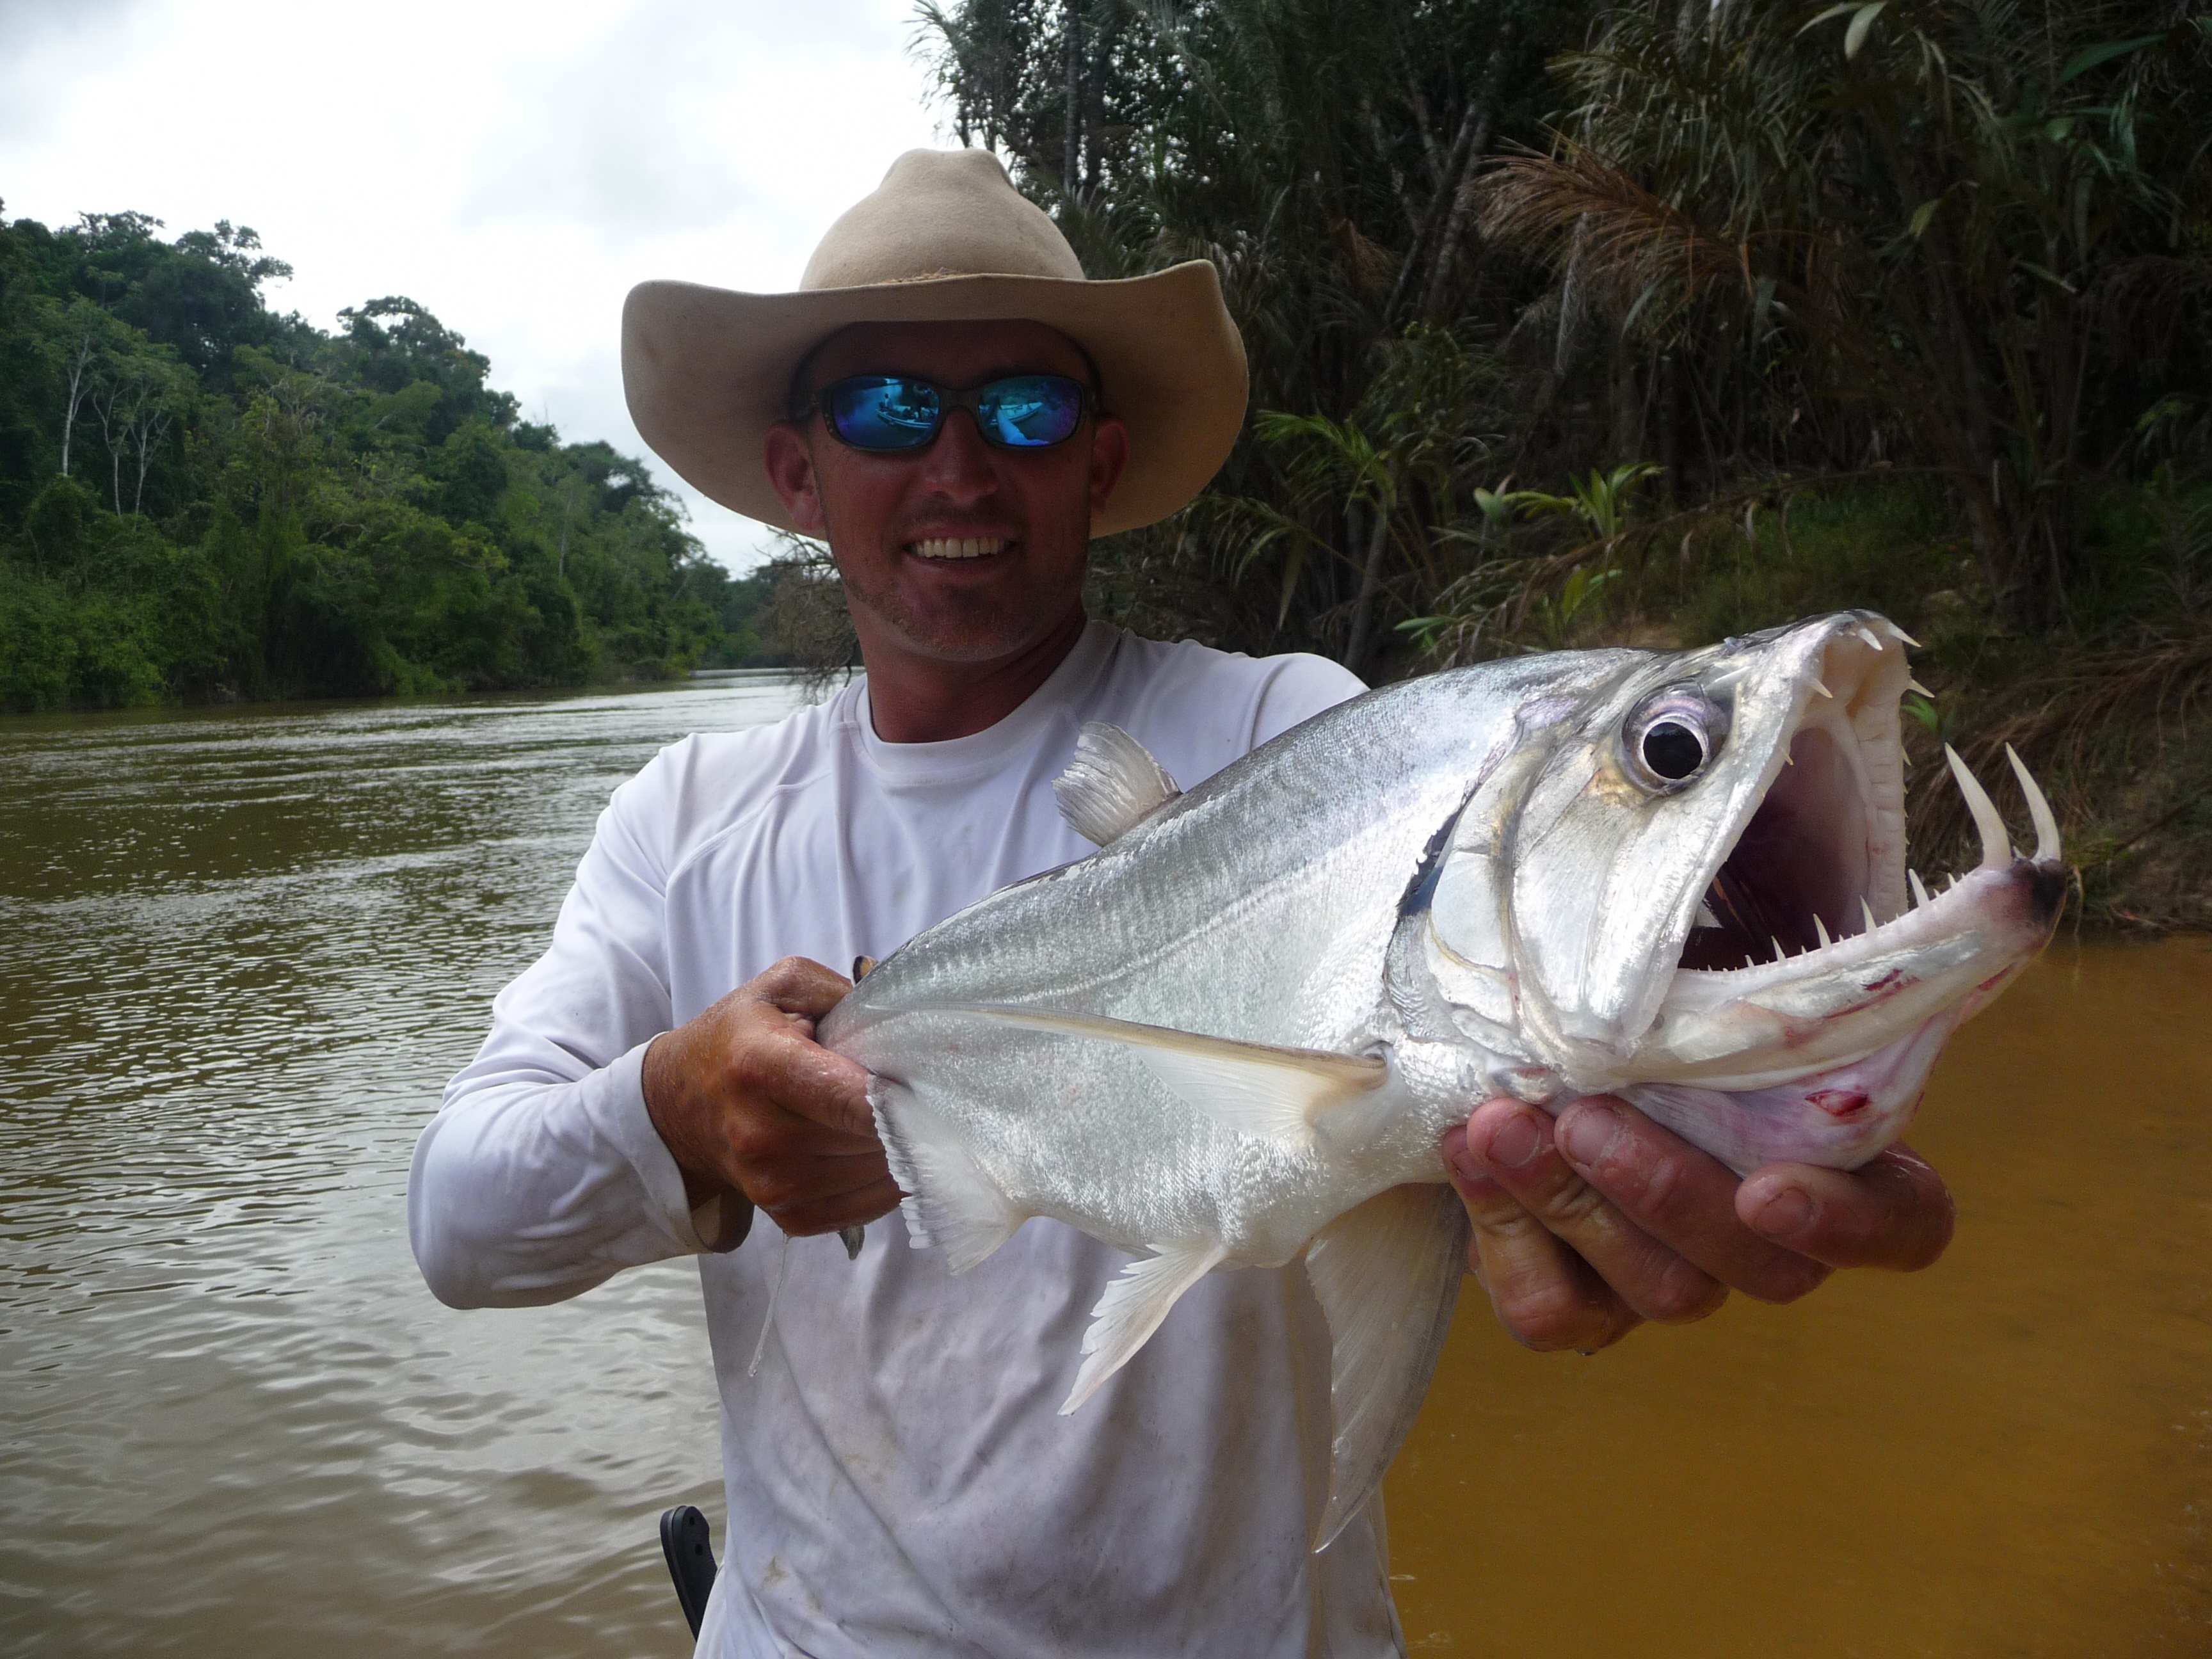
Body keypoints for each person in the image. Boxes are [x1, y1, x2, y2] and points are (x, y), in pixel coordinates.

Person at [408, 150, 1956, 1657]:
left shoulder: (1303, 742)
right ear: (800, 472)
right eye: (890, 408)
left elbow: (1502, 1054)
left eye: (1025, 406)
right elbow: (462, 1222)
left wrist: (1747, 1129)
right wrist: (684, 1109)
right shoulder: (681, 826)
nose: (959, 467)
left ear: (1097, 456)